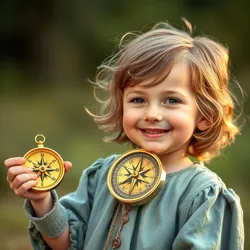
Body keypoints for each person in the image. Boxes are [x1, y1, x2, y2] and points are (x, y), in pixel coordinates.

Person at [5, 19, 244, 250]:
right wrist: (42, 199)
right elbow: (67, 243)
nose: (152, 114)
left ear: (204, 116)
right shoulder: (101, 177)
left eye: (171, 100)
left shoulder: (203, 195)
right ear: (122, 107)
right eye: (138, 99)